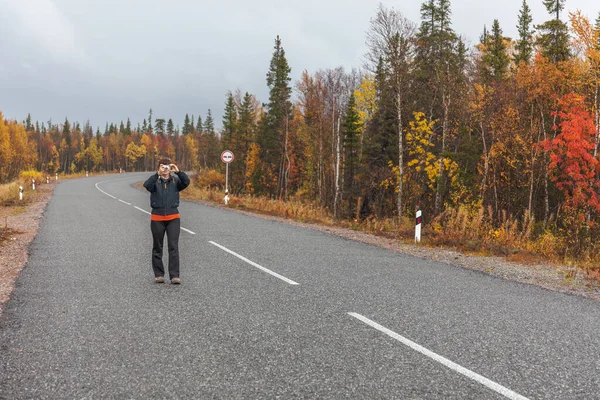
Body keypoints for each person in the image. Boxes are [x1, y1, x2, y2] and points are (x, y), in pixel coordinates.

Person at [143, 158, 190, 284]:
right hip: (157, 218)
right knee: (157, 246)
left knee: (173, 247)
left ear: (171, 168)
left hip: (173, 218)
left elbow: (186, 182)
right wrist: (156, 175)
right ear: (158, 168)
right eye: (162, 166)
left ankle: (175, 276)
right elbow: (146, 185)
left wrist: (179, 172)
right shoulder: (154, 182)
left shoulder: (175, 181)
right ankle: (159, 274)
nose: (165, 169)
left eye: (167, 167)